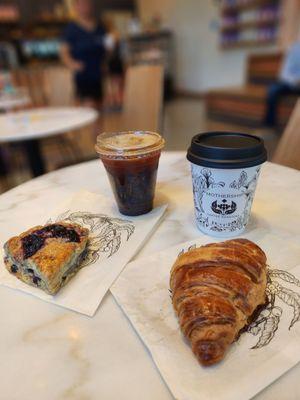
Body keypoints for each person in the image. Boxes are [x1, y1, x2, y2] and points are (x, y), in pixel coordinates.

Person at [60, 0, 106, 109]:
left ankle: (98, 127)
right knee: (89, 107)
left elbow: (106, 49)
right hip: (83, 75)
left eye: (87, 4)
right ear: (76, 7)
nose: (85, 7)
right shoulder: (71, 29)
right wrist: (72, 64)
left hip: (98, 74)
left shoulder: (100, 27)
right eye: (81, 4)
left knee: (99, 107)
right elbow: (63, 52)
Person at [265, 41, 300, 127]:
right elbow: (283, 73)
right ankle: (269, 126)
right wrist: (294, 81)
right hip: (290, 83)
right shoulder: (294, 49)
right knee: (272, 90)